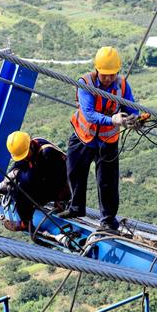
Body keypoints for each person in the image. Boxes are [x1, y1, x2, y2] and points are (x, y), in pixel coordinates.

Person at [58, 46, 141, 231]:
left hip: (107, 141)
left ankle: (108, 221)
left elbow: (131, 106)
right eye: (105, 75)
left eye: (112, 74)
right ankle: (76, 208)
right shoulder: (85, 83)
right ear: (97, 70)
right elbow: (88, 114)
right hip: (83, 136)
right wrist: (113, 119)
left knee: (108, 182)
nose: (109, 78)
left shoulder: (122, 85)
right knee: (75, 172)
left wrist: (135, 117)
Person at [0, 131, 70, 231]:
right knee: (17, 183)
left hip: (62, 187)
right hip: (52, 180)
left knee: (19, 192)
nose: (24, 158)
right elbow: (20, 164)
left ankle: (25, 223)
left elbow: (30, 178)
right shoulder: (33, 145)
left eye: (25, 155)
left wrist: (14, 178)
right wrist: (5, 181)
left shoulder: (47, 153)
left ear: (30, 146)